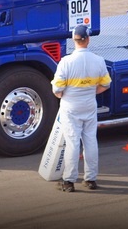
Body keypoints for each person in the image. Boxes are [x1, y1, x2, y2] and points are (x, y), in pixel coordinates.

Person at [51, 24, 111, 192]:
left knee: (72, 143)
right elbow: (106, 84)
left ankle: (69, 181)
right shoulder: (98, 60)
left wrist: (64, 96)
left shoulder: (66, 62)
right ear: (88, 39)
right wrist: (91, 93)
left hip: (71, 107)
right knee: (91, 141)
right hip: (89, 105)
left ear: (73, 39)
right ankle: (91, 179)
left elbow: (57, 89)